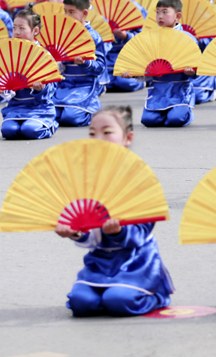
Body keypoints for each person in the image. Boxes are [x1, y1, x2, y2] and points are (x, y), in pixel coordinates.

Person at [61, 106, 174, 316]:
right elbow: (88, 229)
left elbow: (142, 232)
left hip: (136, 260)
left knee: (118, 301)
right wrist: (74, 232)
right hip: (100, 260)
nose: (98, 139)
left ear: (127, 138)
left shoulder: (139, 178)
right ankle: (105, 295)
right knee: (80, 303)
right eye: (92, 133)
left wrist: (119, 232)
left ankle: (157, 295)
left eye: (107, 132)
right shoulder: (86, 179)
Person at [127, 0, 196, 127]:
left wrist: (190, 72)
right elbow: (145, 67)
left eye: (165, 12)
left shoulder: (188, 38)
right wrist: (135, 73)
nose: (160, 16)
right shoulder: (151, 38)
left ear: (178, 15)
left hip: (179, 88)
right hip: (158, 88)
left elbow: (197, 69)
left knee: (175, 120)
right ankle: (167, 113)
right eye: (157, 12)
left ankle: (186, 112)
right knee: (149, 121)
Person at [0, 8, 59, 140]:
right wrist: (1, 89)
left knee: (29, 130)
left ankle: (51, 125)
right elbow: (5, 80)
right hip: (16, 106)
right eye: (14, 28)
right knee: (8, 131)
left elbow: (53, 88)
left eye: (22, 28)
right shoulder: (9, 54)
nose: (17, 32)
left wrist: (41, 89)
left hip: (39, 108)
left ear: (35, 31)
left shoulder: (44, 55)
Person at [53, 0, 107, 127]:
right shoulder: (61, 34)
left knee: (70, 118)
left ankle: (93, 112)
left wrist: (85, 62)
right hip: (64, 85)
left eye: (71, 12)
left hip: (85, 86)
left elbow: (100, 66)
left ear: (84, 13)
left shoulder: (93, 36)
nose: (67, 16)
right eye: (65, 11)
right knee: (54, 115)